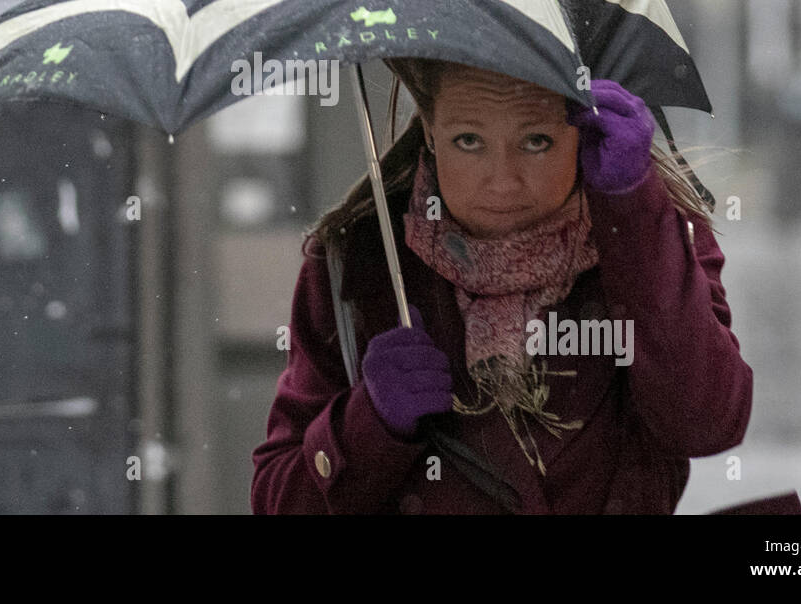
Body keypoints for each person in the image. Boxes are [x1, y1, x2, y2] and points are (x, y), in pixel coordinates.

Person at [250, 58, 753, 514]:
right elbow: (277, 500)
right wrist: (368, 424)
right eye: (469, 140)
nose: (503, 182)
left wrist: (632, 215)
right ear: (430, 130)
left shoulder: (655, 232)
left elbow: (708, 423)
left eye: (537, 141)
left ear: (581, 131)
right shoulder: (359, 265)